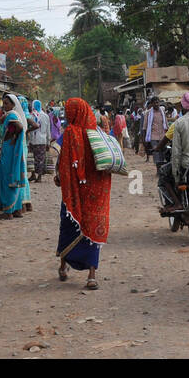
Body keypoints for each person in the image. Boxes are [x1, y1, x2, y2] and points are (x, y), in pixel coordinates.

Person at [54, 97, 113, 289]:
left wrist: (59, 176)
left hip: (74, 191)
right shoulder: (97, 132)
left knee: (69, 225)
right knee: (92, 226)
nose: (65, 115)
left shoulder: (71, 132)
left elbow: (62, 158)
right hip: (95, 192)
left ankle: (63, 267)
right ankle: (92, 276)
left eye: (68, 111)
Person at [0, 93, 31, 219]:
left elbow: (19, 127)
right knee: (13, 178)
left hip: (9, 150)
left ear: (13, 104)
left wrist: (13, 137)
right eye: (3, 103)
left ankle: (8, 211)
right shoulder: (12, 115)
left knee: (7, 179)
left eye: (7, 103)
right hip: (10, 149)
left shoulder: (12, 115)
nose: (4, 106)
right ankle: (16, 209)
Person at [27, 99, 50, 183]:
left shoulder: (31, 116)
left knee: (32, 158)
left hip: (33, 140)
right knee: (40, 159)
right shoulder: (46, 116)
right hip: (42, 140)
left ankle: (33, 174)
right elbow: (48, 130)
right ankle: (38, 176)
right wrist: (48, 142)